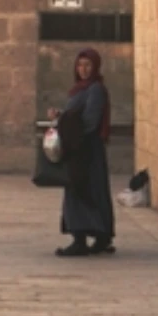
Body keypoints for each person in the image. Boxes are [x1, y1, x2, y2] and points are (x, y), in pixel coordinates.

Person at [47, 48, 116, 257]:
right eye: (80, 65)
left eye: (88, 65)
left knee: (81, 191)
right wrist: (61, 115)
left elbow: (89, 122)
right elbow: (76, 115)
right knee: (90, 191)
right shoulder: (80, 89)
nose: (83, 69)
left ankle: (80, 239)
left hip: (85, 150)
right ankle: (100, 237)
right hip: (80, 147)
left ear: (95, 67)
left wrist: (63, 122)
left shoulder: (95, 89)